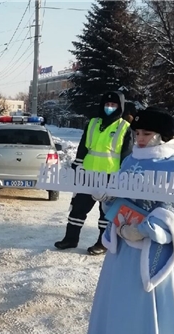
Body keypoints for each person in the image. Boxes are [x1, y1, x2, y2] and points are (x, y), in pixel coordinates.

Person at [84, 106, 174, 334]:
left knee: (143, 305)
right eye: (137, 133)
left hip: (151, 250)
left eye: (146, 134)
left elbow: (173, 213)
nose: (139, 138)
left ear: (162, 136)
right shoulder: (129, 160)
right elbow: (119, 198)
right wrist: (107, 199)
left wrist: (143, 230)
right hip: (122, 249)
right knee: (118, 304)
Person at [55, 91, 134, 255]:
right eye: (107, 104)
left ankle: (102, 243)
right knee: (77, 209)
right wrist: (78, 166)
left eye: (113, 105)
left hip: (110, 177)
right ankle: (70, 239)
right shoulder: (93, 123)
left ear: (120, 107)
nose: (109, 107)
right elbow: (83, 146)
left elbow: (126, 155)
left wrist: (122, 177)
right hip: (88, 175)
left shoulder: (124, 127)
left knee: (106, 213)